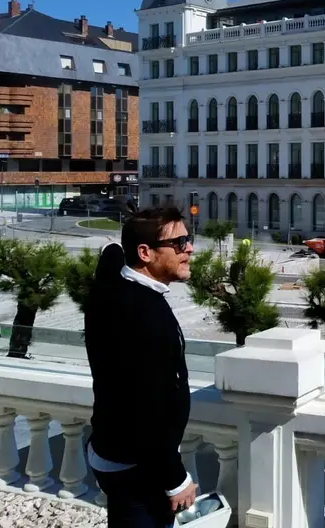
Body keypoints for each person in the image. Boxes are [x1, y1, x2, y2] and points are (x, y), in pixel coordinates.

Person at [84, 205, 198, 527]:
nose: (189, 248)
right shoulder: (145, 317)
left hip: (110, 451)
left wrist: (113, 251)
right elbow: (147, 411)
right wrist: (175, 479)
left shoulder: (112, 290)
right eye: (179, 243)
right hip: (137, 467)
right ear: (145, 253)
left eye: (188, 239)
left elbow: (110, 263)